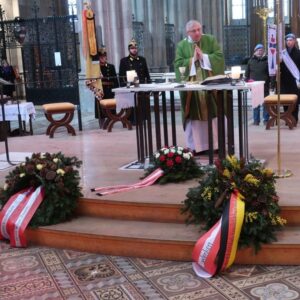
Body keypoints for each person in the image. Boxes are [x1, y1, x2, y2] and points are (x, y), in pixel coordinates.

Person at [174, 20, 225, 155]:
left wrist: (204, 57)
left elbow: (219, 57)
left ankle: (216, 145)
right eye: (194, 31)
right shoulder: (182, 46)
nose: (197, 33)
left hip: (210, 87)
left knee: (214, 113)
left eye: (199, 29)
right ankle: (195, 146)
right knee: (193, 117)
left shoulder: (210, 40)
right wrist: (193, 60)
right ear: (187, 32)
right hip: (193, 91)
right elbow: (178, 64)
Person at [119, 39, 151, 124]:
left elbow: (146, 74)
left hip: (141, 85)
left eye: (135, 48)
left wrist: (149, 84)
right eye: (132, 48)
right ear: (129, 49)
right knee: (132, 104)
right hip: (130, 86)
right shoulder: (124, 61)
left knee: (142, 104)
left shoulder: (142, 59)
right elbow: (121, 75)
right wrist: (124, 85)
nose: (134, 49)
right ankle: (131, 119)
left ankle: (142, 119)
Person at [245, 43, 270, 125]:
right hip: (255, 86)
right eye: (258, 50)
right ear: (255, 51)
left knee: (265, 104)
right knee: (256, 104)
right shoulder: (250, 61)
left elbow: (271, 74)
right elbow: (247, 75)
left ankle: (266, 120)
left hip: (265, 86)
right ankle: (256, 121)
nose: (260, 51)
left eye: (261, 50)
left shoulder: (267, 61)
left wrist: (271, 84)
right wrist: (248, 84)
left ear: (263, 51)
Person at [280, 33, 300, 124]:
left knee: (295, 100)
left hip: (295, 80)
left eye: (290, 40)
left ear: (294, 41)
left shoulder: (298, 53)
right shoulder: (283, 53)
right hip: (284, 81)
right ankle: (287, 118)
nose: (289, 42)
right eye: (287, 40)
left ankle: (294, 118)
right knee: (285, 100)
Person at [96, 47, 119, 122]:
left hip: (109, 89)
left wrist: (116, 90)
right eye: (101, 57)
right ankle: (102, 122)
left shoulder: (111, 66)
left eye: (104, 57)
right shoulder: (95, 67)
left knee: (110, 107)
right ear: (99, 58)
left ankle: (110, 121)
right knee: (100, 108)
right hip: (100, 89)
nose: (103, 58)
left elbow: (115, 79)